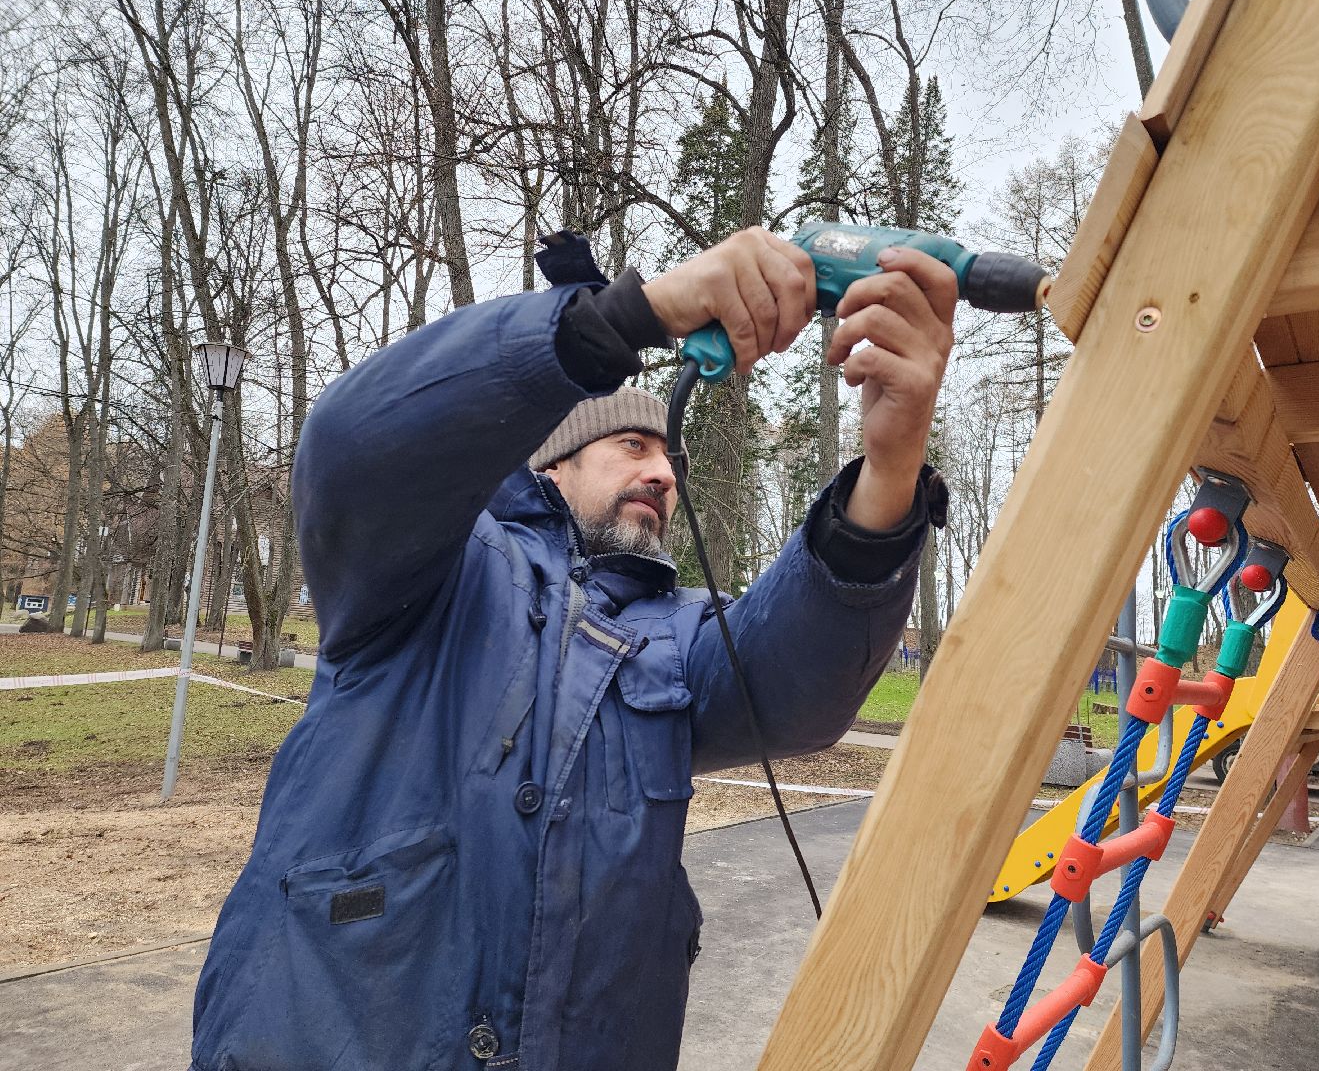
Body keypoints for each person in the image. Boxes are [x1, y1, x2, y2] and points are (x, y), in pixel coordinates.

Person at [189, 227, 954, 1071]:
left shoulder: (678, 634)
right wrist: (622, 320)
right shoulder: (431, 566)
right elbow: (357, 449)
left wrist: (890, 471)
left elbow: (795, 685)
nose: (664, 473)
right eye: (632, 446)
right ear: (554, 465)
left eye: (669, 457)